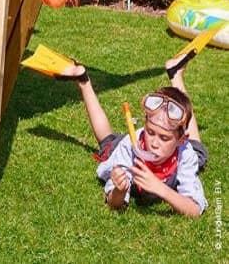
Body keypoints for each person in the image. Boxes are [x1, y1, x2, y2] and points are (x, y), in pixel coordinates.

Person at [54, 52, 208, 217]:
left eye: (164, 138)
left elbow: (195, 209)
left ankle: (175, 75)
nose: (154, 143)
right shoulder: (129, 147)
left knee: (198, 151)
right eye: (151, 132)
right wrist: (120, 190)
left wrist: (160, 188)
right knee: (107, 143)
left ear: (180, 140)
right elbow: (114, 203)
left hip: (181, 151)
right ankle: (84, 81)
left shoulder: (185, 153)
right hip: (121, 145)